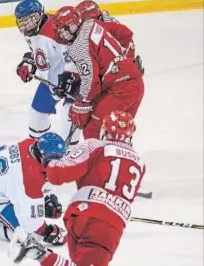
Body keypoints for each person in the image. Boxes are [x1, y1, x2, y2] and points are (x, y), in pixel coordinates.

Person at [8, 110, 146, 266]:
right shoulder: (140, 164)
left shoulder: (95, 145)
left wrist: (50, 159)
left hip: (79, 216)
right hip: (109, 225)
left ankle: (37, 252)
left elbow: (57, 174)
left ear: (104, 131)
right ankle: (35, 251)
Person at [52, 6, 145, 140]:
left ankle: (102, 161)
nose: (66, 34)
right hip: (134, 82)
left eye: (69, 28)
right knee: (117, 133)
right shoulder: (92, 23)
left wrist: (80, 105)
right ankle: (122, 160)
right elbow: (124, 33)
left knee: (93, 132)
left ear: (77, 21)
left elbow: (91, 82)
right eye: (61, 31)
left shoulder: (78, 47)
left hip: (119, 89)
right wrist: (126, 61)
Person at [0, 132, 67, 246]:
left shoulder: (30, 144)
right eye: (53, 159)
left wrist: (47, 198)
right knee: (31, 237)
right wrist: (50, 233)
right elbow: (32, 224)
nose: (56, 164)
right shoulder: (28, 179)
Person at [14, 0, 80, 142]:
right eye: (22, 22)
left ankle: (70, 152)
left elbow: (73, 56)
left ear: (39, 15)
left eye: (29, 20)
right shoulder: (29, 33)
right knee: (36, 115)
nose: (26, 25)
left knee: (69, 114)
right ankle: (39, 149)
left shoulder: (55, 30)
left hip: (72, 80)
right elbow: (38, 52)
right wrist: (29, 63)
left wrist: (69, 79)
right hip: (50, 82)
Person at [75, 0, 144, 74]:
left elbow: (128, 41)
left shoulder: (109, 24)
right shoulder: (82, 31)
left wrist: (127, 63)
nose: (88, 26)